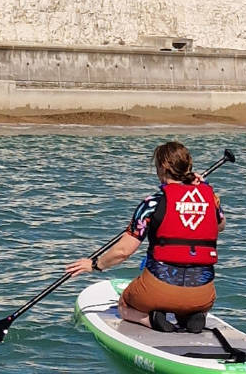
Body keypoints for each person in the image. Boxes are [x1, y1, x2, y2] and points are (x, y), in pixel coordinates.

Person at [65, 141, 225, 333]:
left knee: (124, 305)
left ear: (162, 168)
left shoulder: (152, 204)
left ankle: (151, 320)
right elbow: (220, 225)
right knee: (191, 299)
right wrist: (203, 189)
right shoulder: (210, 198)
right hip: (203, 295)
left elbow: (123, 252)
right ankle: (192, 316)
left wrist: (94, 264)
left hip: (159, 289)